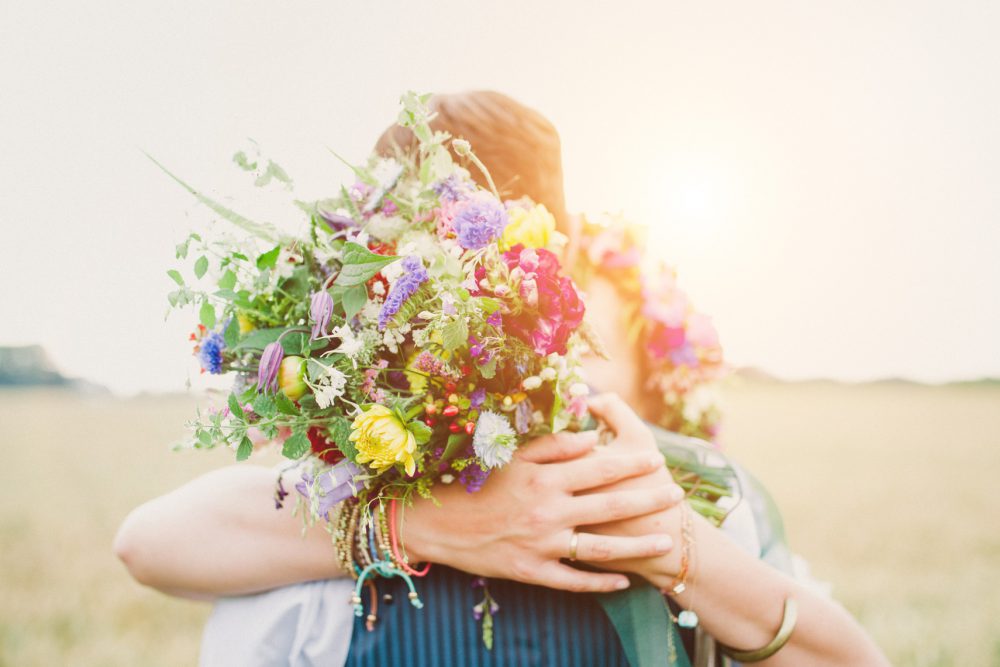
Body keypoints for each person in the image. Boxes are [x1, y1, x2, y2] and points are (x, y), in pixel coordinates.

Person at [115, 92, 889, 666]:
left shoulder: (669, 484)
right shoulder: (338, 500)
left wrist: (679, 549)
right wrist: (420, 524)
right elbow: (146, 543)